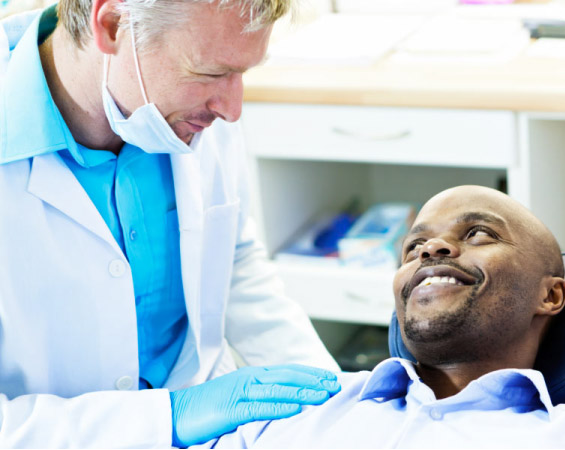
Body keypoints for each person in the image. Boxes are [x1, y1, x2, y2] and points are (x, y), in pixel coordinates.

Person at [0, 0, 342, 447]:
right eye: (211, 72)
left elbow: (233, 259)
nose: (232, 108)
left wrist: (332, 401)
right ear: (113, 24)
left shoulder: (184, 111)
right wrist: (167, 419)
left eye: (242, 72)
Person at [214, 185, 565, 448]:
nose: (430, 250)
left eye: (478, 233)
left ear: (551, 295)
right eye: (413, 246)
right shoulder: (297, 412)